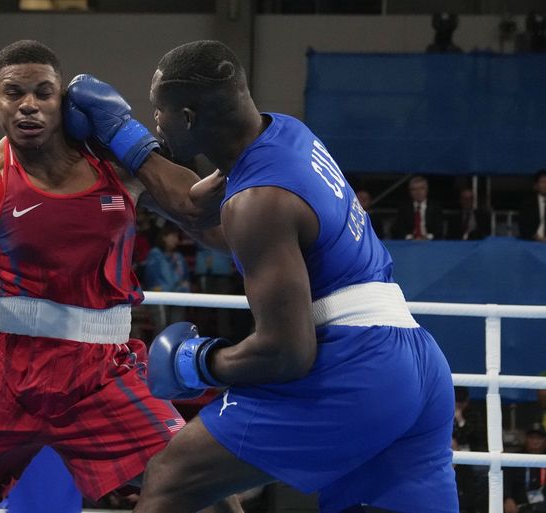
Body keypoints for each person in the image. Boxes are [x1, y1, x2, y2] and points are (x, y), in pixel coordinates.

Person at [63, 40, 458, 513]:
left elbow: (287, 353)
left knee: (172, 476)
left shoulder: (258, 201)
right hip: (416, 363)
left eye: (158, 112)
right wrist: (126, 142)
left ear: (188, 118)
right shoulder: (286, 137)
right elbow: (198, 209)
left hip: (355, 365)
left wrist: (200, 363)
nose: (157, 123)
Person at [0, 40, 241, 513]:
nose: (29, 106)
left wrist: (136, 144)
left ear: (65, 101)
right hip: (5, 376)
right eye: (14, 93)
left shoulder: (115, 166)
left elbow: (213, 226)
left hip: (106, 375)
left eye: (43, 92)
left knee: (210, 496)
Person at [503, 423, 546, 513]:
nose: (535, 441)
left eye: (539, 438)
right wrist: (507, 498)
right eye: (532, 438)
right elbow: (505, 481)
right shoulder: (514, 459)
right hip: (518, 505)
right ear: (526, 439)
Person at [392, 175, 444, 240]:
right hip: (409, 244)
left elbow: (439, 230)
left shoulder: (435, 207)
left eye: (422, 188)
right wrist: (411, 238)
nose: (418, 192)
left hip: (430, 243)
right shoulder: (404, 208)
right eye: (415, 189)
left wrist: (427, 237)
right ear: (410, 192)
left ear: (427, 190)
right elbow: (399, 229)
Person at [518, 169, 546, 242]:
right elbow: (524, 227)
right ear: (535, 186)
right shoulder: (527, 204)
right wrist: (536, 238)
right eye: (543, 182)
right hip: (532, 244)